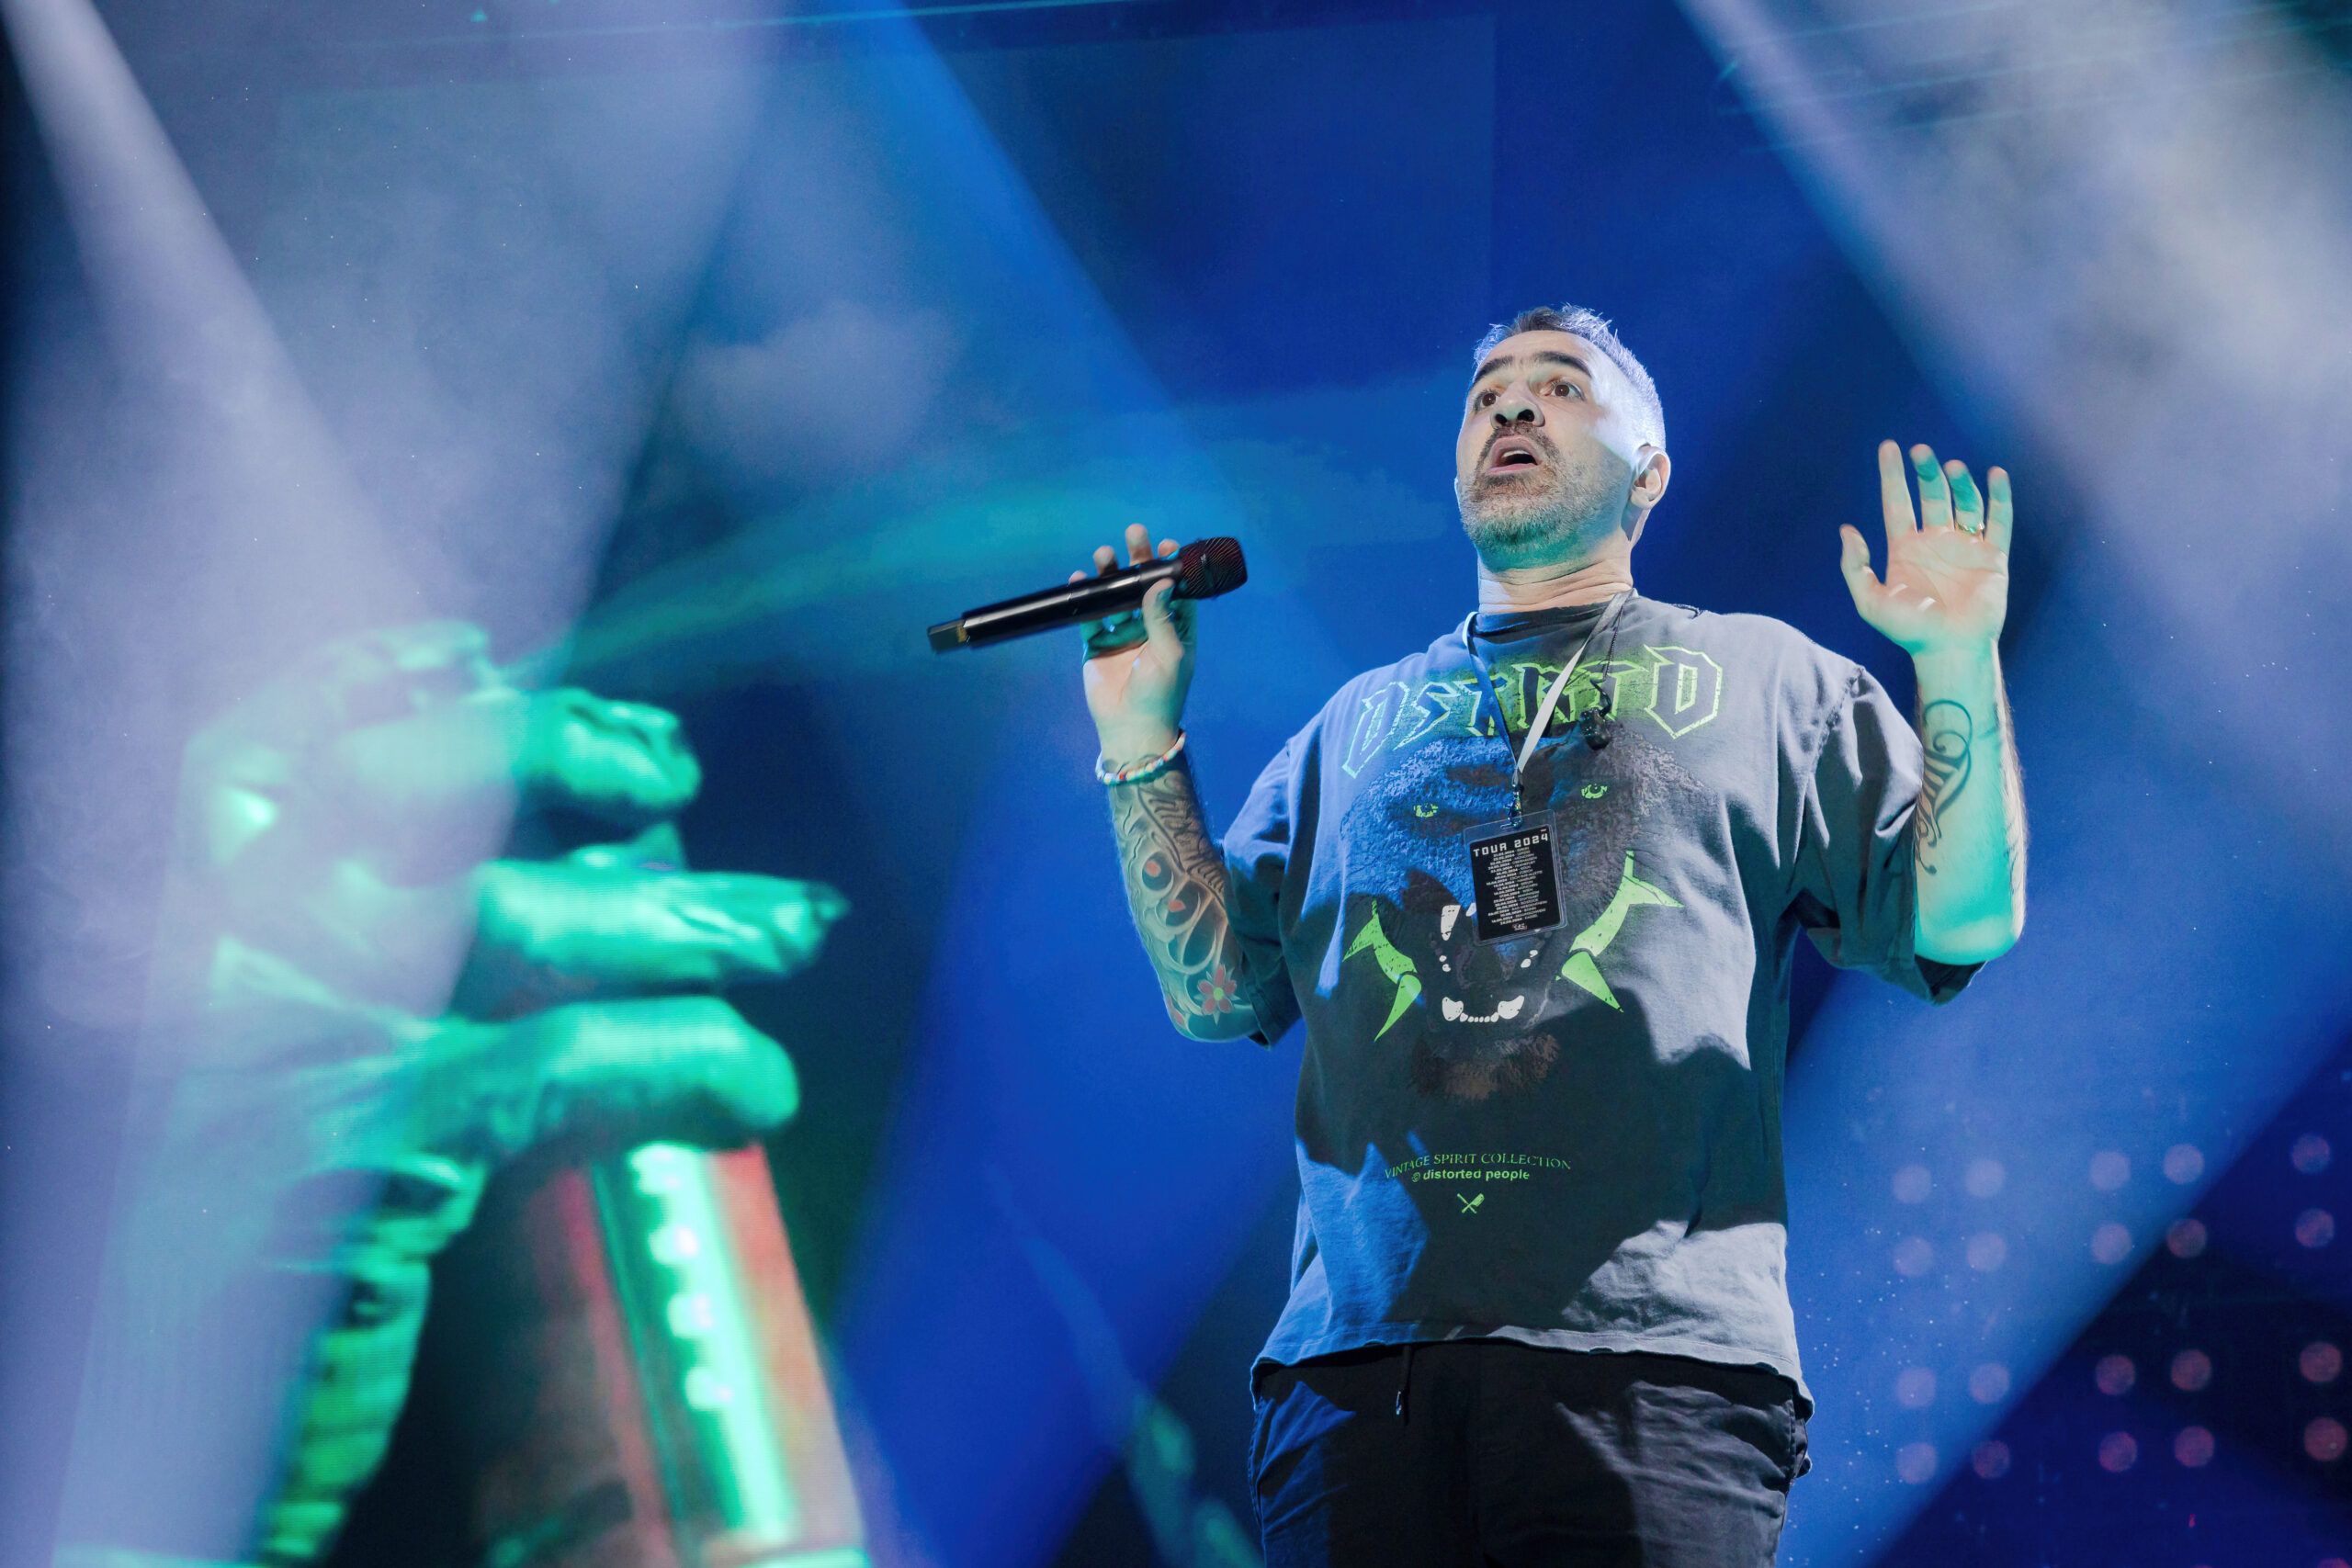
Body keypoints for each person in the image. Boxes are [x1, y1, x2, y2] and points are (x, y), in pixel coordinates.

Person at [1074, 304, 2026, 1566]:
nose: (1510, 409)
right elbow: (1211, 988)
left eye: (1560, 386)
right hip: (1357, 1387)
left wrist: (1957, 659)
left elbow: (1967, 915)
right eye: (1486, 395)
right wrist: (1140, 741)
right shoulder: (1352, 728)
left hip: (1651, 1372)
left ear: (1651, 469)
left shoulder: (1768, 683)